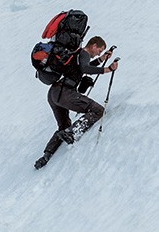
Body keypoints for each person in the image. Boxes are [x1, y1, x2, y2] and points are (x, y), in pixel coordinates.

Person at [34, 36, 118, 169]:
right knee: (98, 110)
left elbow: (86, 66)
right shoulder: (83, 53)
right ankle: (72, 132)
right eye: (99, 51)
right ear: (94, 45)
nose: (99, 53)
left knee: (63, 125)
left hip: (53, 94)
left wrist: (102, 59)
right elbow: (85, 69)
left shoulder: (77, 54)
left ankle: (46, 156)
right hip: (65, 93)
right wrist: (107, 69)